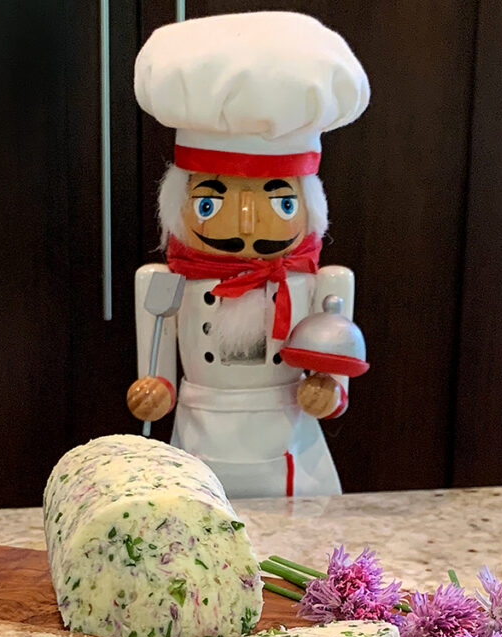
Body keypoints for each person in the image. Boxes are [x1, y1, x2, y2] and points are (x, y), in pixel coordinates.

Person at [127, 11, 370, 498]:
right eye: (212, 201)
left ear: (307, 204)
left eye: (278, 202)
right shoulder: (166, 280)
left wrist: (326, 394)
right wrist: (154, 393)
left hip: (291, 446)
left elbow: (334, 375)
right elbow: (155, 370)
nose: (243, 221)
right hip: (197, 440)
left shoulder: (323, 284)